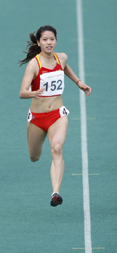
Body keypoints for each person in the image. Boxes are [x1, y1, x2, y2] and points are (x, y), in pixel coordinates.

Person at [19, 25, 91, 207]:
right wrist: (33, 93)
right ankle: (38, 157)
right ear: (39, 42)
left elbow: (65, 68)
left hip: (57, 114)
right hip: (37, 118)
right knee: (34, 157)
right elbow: (22, 92)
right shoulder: (34, 64)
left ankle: (55, 193)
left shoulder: (62, 57)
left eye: (52, 39)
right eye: (45, 40)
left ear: (56, 40)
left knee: (57, 149)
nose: (49, 42)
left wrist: (78, 82)